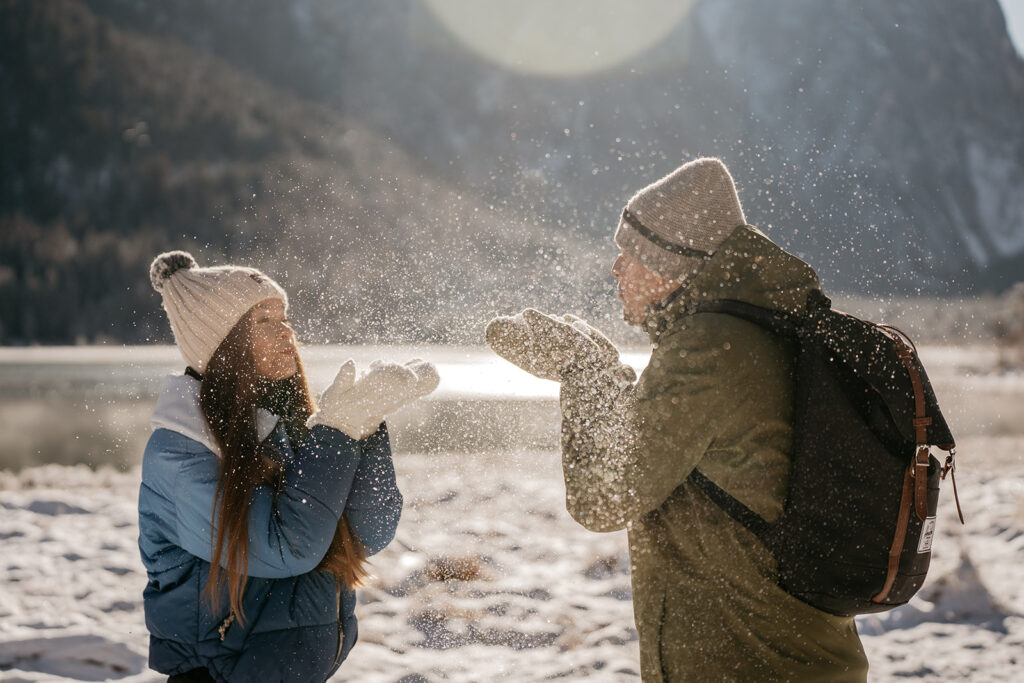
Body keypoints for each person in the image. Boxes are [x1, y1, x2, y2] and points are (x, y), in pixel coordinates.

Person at [487, 158, 868, 681]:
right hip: (792, 651)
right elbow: (665, 444)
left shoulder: (709, 350)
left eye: (630, 255)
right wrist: (606, 374)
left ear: (672, 265)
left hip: (748, 661)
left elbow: (605, 498)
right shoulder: (749, 331)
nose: (616, 269)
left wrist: (583, 376)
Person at [139, 251, 438, 682]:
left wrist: (364, 428)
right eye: (263, 321)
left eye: (285, 317)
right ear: (220, 341)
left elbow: (368, 534)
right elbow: (288, 549)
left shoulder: (280, 424)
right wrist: (337, 432)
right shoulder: (180, 453)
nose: (287, 332)